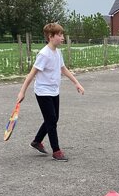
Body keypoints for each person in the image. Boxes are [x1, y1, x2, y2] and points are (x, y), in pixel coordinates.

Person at [17, 22, 85, 161]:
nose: (62, 37)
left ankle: (37, 141)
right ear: (50, 36)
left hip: (54, 90)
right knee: (51, 120)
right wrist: (22, 92)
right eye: (59, 35)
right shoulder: (44, 54)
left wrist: (76, 83)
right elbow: (31, 74)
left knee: (53, 119)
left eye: (62, 34)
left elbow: (63, 68)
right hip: (43, 92)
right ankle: (56, 151)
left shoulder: (58, 52)